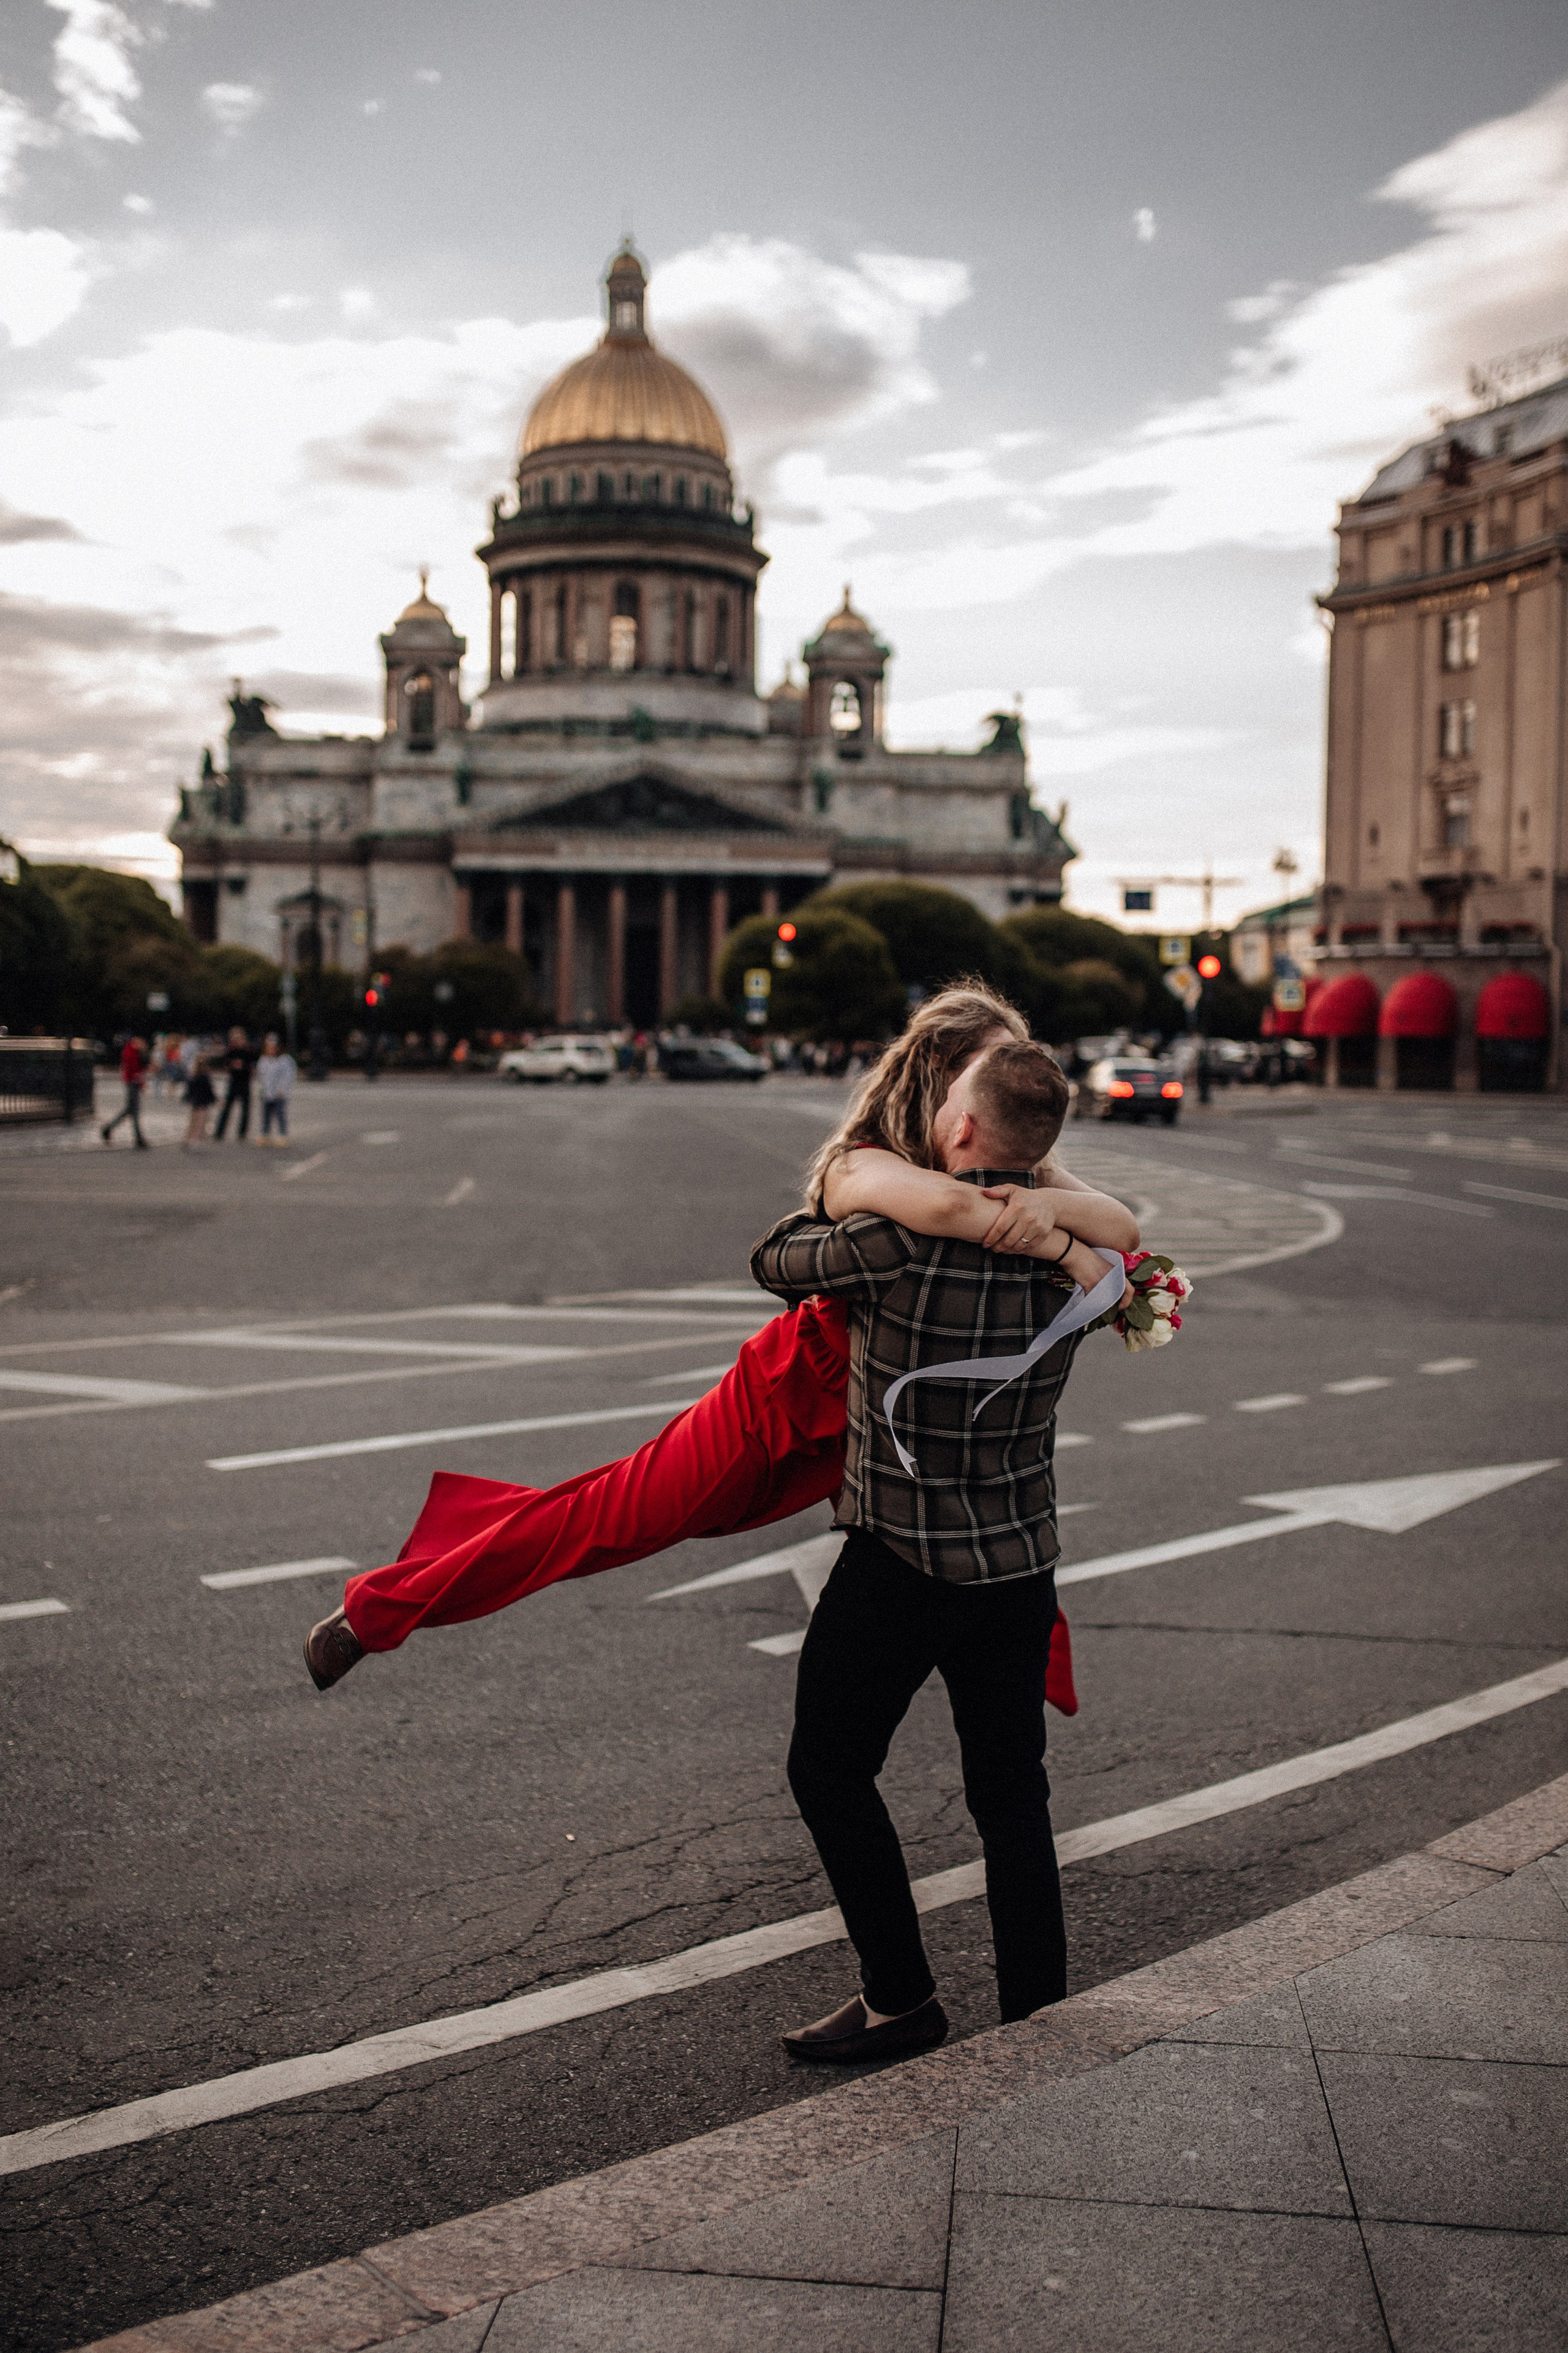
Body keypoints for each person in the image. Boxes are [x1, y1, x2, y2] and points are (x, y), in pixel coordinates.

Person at [303, 986, 1136, 1694]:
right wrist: (1051, 1229)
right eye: (990, 1066)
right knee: (611, 1519)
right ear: (944, 1082)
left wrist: (1051, 1208)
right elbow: (960, 1216)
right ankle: (382, 1607)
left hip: (889, 1424)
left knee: (979, 1534)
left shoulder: (1015, 1166)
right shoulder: (870, 1161)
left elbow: (1125, 1227)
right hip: (791, 1394)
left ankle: (1025, 1693)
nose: (1009, 1084)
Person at [753, 1033, 1111, 2064]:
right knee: (1013, 1797)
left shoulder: (886, 1244)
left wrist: (855, 1178)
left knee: (829, 1770)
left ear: (956, 1126)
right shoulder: (1081, 1270)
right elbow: (1123, 1252)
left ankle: (900, 1996)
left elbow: (773, 1260)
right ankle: (1037, 2019)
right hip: (1016, 1567)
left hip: (897, 1564)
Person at [100, 1036, 149, 1148]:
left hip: (132, 1082)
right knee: (134, 1111)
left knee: (130, 1110)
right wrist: (141, 1083)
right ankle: (138, 1138)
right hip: (133, 1083)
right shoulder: (131, 1052)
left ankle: (109, 1129)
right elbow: (135, 1069)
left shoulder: (131, 1050)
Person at [214, 1027, 256, 1141]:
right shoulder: (231, 1050)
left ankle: (242, 1133)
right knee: (227, 1107)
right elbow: (226, 1063)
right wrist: (232, 1065)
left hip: (244, 1081)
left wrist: (245, 1067)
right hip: (234, 1081)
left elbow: (252, 1065)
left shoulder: (249, 1050)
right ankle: (219, 1132)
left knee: (245, 1109)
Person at [255, 1032, 296, 1144]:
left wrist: (283, 1089)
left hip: (280, 1094)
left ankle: (283, 1135)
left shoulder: (284, 1060)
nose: (271, 1050)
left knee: (280, 1115)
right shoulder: (263, 1061)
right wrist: (262, 1089)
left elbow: (288, 1076)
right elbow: (261, 1077)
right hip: (267, 1092)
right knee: (266, 1115)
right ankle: (265, 1134)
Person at [182, 1051, 216, 1148]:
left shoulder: (193, 1075)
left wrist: (187, 1098)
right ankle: (195, 1139)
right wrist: (214, 1100)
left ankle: (188, 1138)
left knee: (193, 1121)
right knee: (200, 1122)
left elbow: (189, 1090)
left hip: (195, 1101)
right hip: (202, 1102)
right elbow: (210, 1090)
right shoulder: (205, 1076)